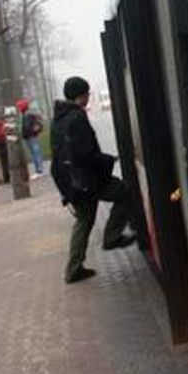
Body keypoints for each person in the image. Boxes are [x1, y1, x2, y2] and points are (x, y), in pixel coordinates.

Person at [51, 76, 135, 284]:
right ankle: (112, 237)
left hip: (72, 182)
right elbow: (86, 154)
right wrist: (108, 160)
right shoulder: (77, 118)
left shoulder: (58, 119)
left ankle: (73, 269)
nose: (89, 96)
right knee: (124, 192)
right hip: (86, 181)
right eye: (87, 93)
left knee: (84, 221)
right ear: (81, 95)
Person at [16, 98, 45, 178]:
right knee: (34, 153)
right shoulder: (25, 115)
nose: (19, 109)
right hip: (28, 136)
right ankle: (38, 169)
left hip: (32, 136)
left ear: (22, 107)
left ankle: (39, 170)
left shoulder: (29, 115)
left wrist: (25, 132)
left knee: (36, 153)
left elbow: (28, 127)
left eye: (19, 107)